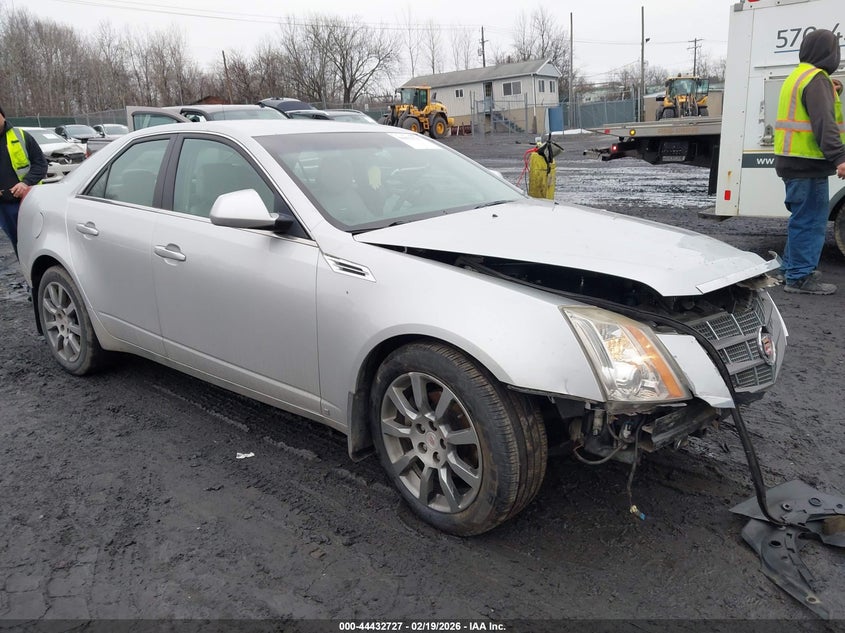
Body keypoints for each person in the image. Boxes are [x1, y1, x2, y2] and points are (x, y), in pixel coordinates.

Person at [774, 29, 845, 295]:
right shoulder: (816, 80)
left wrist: (833, 88)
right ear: (830, 53)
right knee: (811, 221)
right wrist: (839, 157)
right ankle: (800, 277)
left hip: (792, 161)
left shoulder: (798, 75)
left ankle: (790, 269)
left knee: (801, 218)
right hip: (807, 164)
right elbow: (824, 123)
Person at [0, 104, 47, 258]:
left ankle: (38, 276)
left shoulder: (21, 136)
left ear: (3, 116)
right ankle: (27, 273)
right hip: (4, 207)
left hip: (27, 201)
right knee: (16, 242)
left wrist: (25, 183)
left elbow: (40, 165)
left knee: (36, 240)